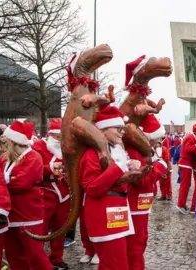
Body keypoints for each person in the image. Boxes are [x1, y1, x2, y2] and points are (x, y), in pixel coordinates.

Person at [79, 106, 139, 270]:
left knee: (114, 264)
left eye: (122, 128)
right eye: (117, 128)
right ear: (103, 130)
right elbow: (91, 187)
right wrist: (118, 168)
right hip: (104, 215)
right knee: (115, 265)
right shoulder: (92, 154)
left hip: (116, 214)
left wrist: (132, 166)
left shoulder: (116, 151)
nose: (122, 132)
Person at [0, 120, 53, 270]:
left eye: (7, 140)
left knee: (35, 253)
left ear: (13, 141)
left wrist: (2, 183)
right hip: (10, 212)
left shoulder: (34, 157)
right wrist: (8, 180)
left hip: (29, 213)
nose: (5, 142)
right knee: (13, 253)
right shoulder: (4, 158)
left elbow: (22, 182)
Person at [126, 113, 168, 270]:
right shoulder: (135, 151)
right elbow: (141, 180)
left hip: (139, 205)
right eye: (158, 137)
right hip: (134, 205)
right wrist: (160, 166)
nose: (160, 141)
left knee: (139, 242)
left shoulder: (144, 149)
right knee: (135, 245)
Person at [31, 118, 70, 270]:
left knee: (61, 228)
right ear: (50, 135)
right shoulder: (38, 147)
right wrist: (50, 168)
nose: (59, 140)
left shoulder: (68, 148)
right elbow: (34, 168)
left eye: (61, 137)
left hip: (65, 192)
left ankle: (56, 257)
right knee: (41, 228)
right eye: (56, 136)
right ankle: (37, 260)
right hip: (46, 191)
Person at [177, 124, 196, 214]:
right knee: (185, 184)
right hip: (185, 163)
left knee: (186, 184)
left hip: (187, 163)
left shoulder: (191, 137)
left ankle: (182, 204)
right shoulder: (190, 137)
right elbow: (188, 149)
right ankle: (180, 205)